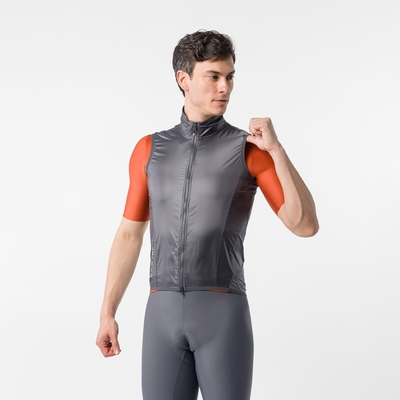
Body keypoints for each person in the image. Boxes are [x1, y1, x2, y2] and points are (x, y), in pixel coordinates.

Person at [96, 30, 319, 400]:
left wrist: (277, 151)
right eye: (213, 76)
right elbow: (129, 234)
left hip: (222, 312)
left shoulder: (249, 149)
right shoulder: (149, 150)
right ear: (183, 79)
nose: (224, 87)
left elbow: (305, 225)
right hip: (161, 312)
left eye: (229, 77)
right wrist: (108, 312)